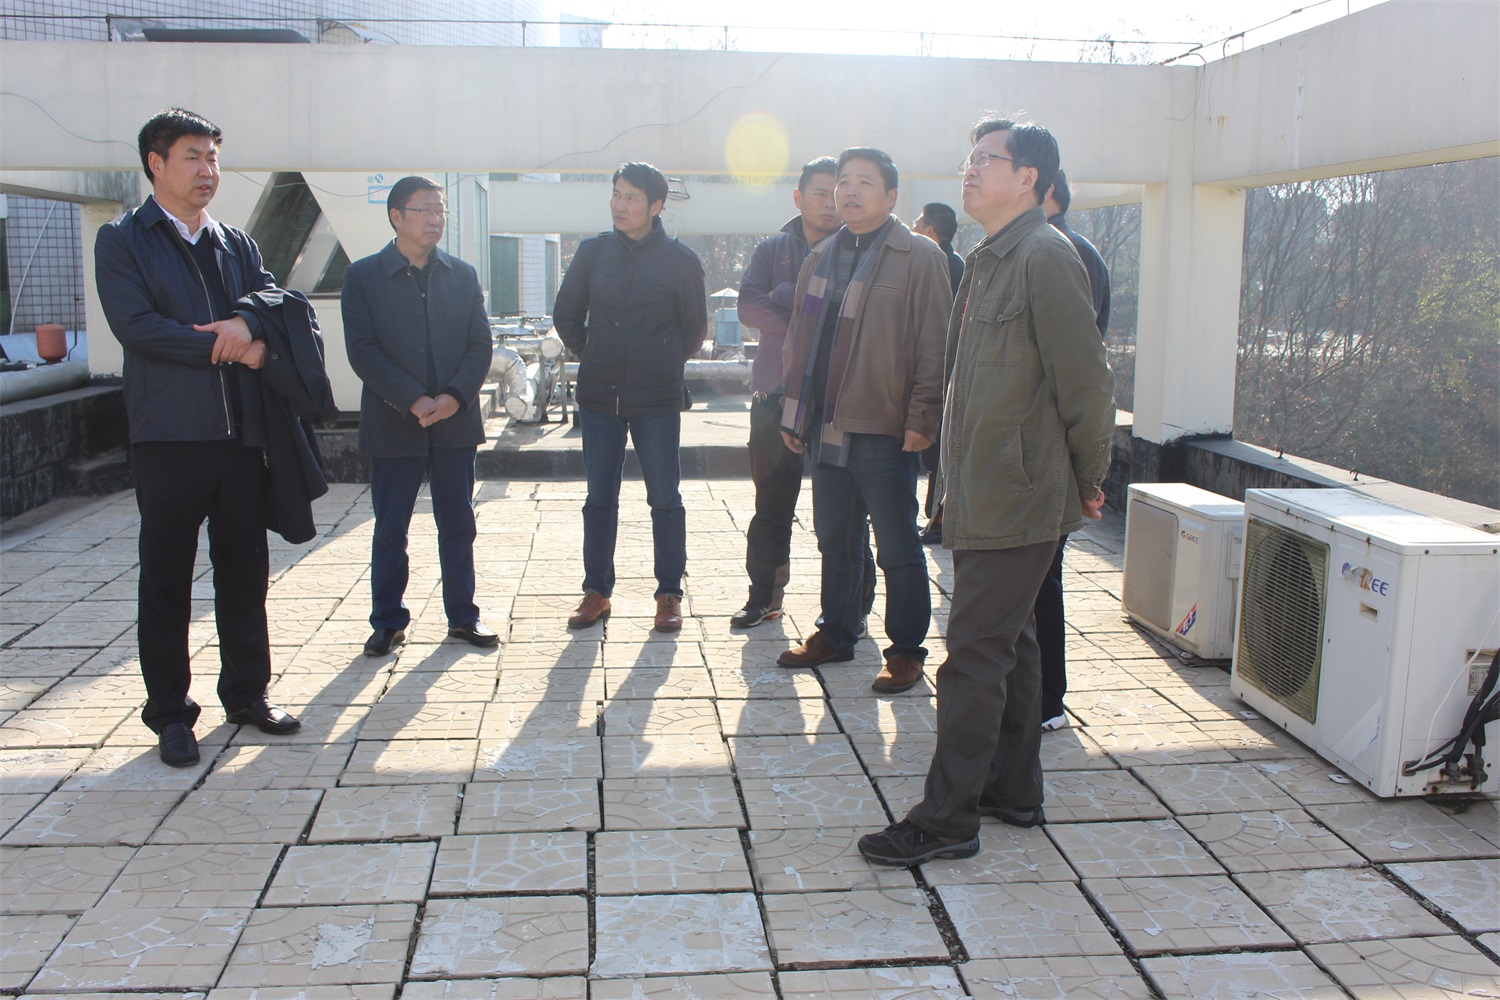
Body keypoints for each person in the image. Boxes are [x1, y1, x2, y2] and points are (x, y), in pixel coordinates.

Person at [859, 117, 1114, 866]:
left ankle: (947, 819)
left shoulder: (1046, 256)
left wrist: (1088, 479)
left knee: (971, 655)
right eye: (968, 159)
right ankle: (1013, 789)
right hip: (982, 489)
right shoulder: (989, 258)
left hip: (1019, 491)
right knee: (1014, 645)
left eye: (986, 160)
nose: (969, 171)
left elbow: (1087, 384)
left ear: (1028, 177)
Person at [94, 108, 302, 766]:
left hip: (240, 437)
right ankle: (170, 714)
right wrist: (232, 345)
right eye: (193, 156)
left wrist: (248, 323)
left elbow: (271, 301)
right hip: (169, 438)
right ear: (155, 163)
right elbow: (137, 327)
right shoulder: (123, 240)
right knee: (167, 581)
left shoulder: (234, 243)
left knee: (245, 573)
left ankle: (246, 692)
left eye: (213, 156)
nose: (207, 169)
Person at [776, 147, 950, 695]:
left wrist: (923, 417)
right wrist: (794, 411)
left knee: (896, 546)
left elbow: (936, 343)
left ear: (892, 196)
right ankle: (838, 632)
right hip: (825, 425)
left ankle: (906, 651)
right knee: (835, 540)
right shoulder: (821, 255)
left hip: (884, 425)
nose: (849, 191)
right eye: (843, 181)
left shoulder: (918, 256)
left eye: (864, 182)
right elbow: (799, 342)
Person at [343, 176, 499, 658]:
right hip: (394, 422)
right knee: (391, 527)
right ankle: (388, 621)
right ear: (396, 216)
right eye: (425, 210)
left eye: (441, 210)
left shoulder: (461, 275)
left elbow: (480, 345)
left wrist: (454, 397)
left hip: (455, 422)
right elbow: (362, 352)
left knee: (458, 523)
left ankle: (463, 616)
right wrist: (412, 399)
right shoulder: (364, 277)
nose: (436, 219)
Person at [554, 162, 708, 632]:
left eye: (631, 197)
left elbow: (694, 331)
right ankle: (596, 592)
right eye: (616, 194)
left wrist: (659, 363)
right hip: (599, 397)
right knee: (599, 498)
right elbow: (566, 314)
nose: (619, 205)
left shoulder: (680, 261)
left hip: (656, 399)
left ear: (656, 206)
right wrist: (594, 352)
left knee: (665, 498)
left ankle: (669, 594)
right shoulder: (592, 253)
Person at [732, 157, 875, 630]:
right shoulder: (773, 248)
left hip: (837, 398)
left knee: (845, 510)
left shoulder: (861, 249)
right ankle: (764, 596)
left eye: (837, 191)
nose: (830, 201)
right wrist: (805, 317)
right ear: (798, 197)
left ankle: (854, 603)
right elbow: (748, 306)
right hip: (774, 394)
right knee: (771, 503)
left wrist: (785, 300)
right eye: (819, 192)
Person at [1035, 167, 1113, 730]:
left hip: (1049, 446)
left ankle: (1046, 701)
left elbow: (1083, 377)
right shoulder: (1023, 249)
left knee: (1042, 579)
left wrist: (1088, 475)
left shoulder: (1063, 253)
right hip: (1029, 448)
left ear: (1041, 188)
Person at [910, 202, 965, 543]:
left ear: (930, 231)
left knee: (941, 451)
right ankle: (934, 517)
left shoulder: (944, 263)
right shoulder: (949, 261)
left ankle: (941, 519)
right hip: (942, 369)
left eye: (917, 223)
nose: (913, 228)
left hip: (945, 371)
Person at [913, 202, 964, 294]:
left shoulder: (936, 263)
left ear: (929, 230)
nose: (912, 231)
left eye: (915, 226)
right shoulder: (957, 262)